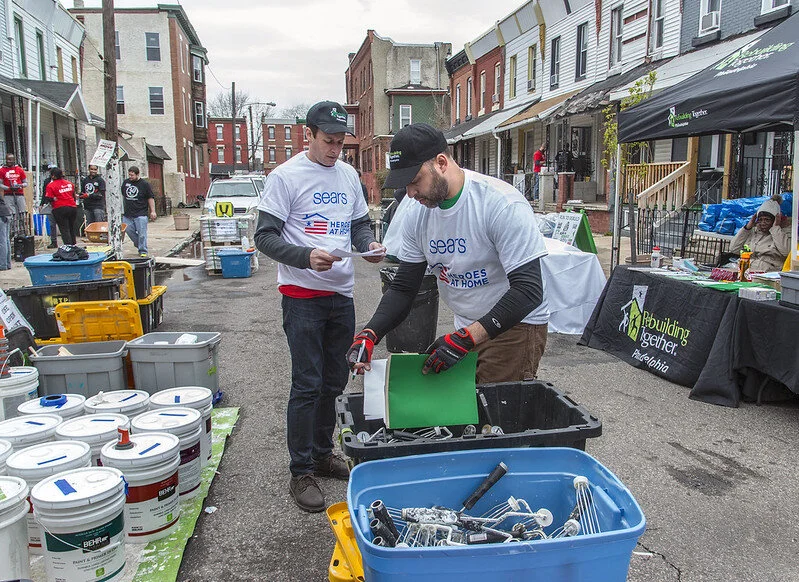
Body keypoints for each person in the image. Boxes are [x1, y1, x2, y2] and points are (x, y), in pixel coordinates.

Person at [254, 101, 385, 513]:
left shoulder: (347, 175)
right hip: (302, 296)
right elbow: (264, 236)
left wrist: (367, 245)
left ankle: (323, 454)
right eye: (328, 141)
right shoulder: (285, 177)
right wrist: (305, 256)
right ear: (307, 135)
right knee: (307, 384)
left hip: (340, 295)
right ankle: (301, 470)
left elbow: (358, 224)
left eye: (340, 142)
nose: (334, 150)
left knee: (334, 382)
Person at [347, 123, 549, 384]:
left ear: (441, 163)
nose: (410, 193)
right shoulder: (417, 213)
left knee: (492, 407)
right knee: (461, 406)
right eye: (405, 185)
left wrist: (466, 338)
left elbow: (528, 291)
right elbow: (404, 287)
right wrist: (370, 334)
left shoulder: (501, 204)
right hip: (466, 325)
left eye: (414, 181)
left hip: (514, 326)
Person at [729, 194, 790, 272]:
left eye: (767, 220)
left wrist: (775, 228)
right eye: (760, 220)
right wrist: (747, 228)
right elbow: (734, 249)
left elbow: (786, 252)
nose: (763, 223)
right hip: (746, 269)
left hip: (767, 272)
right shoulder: (752, 231)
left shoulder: (783, 232)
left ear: (775, 220)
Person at [121, 166, 156, 257]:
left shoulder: (144, 184)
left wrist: (153, 211)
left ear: (137, 174)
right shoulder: (126, 183)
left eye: (132, 175)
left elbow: (150, 198)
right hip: (128, 214)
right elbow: (123, 195)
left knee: (142, 234)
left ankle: (143, 250)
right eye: (129, 175)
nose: (130, 177)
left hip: (141, 213)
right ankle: (139, 244)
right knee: (129, 230)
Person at [43, 168, 78, 246]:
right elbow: (73, 196)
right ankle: (73, 245)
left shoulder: (51, 185)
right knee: (71, 227)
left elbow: (48, 198)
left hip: (60, 208)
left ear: (53, 176)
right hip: (72, 207)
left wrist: (54, 199)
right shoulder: (69, 184)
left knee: (64, 229)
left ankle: (68, 246)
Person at [0, 153, 28, 234]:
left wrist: (20, 186)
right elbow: (0, 184)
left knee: (22, 212)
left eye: (10, 160)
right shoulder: (2, 170)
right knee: (11, 213)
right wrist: (8, 188)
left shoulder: (19, 169)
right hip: (8, 194)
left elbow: (26, 183)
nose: (8, 161)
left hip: (19, 194)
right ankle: (12, 231)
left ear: (13, 160)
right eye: (7, 160)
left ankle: (22, 231)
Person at [41, 165, 58, 248]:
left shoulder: (61, 181)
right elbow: (44, 193)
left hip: (59, 204)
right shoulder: (47, 181)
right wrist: (42, 203)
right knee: (52, 223)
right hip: (50, 204)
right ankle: (53, 241)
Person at [0, 189, 11, 270]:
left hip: (1, 215)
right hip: (6, 213)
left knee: (2, 241)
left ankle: (2, 265)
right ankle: (7, 264)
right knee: (6, 240)